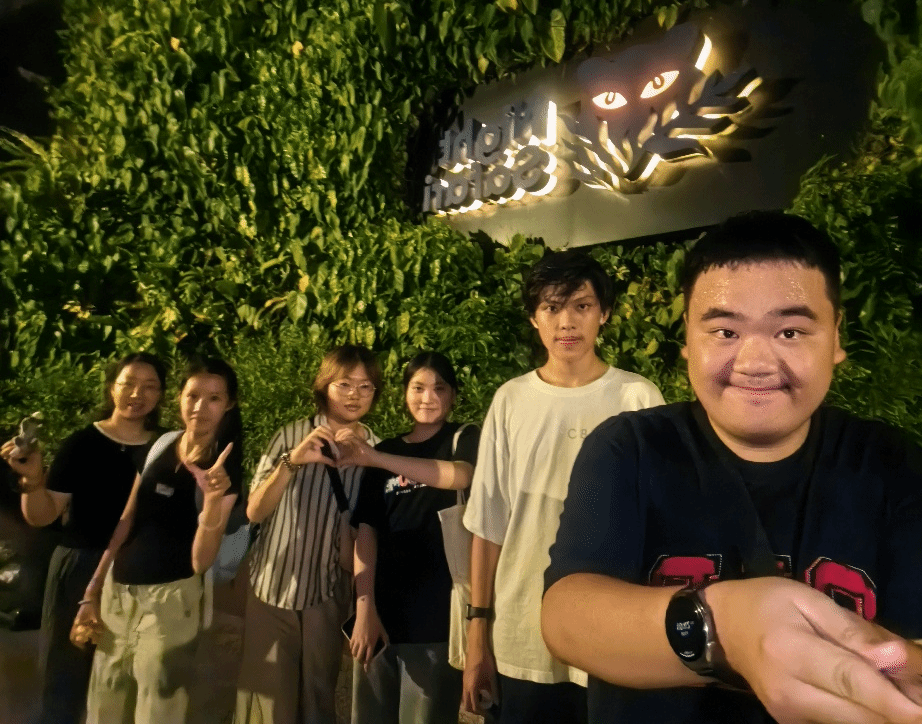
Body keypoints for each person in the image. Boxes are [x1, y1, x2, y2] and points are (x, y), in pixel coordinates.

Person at [542, 210, 922, 724]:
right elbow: (566, 616)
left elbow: (907, 652)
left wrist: (895, 670)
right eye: (725, 331)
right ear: (688, 340)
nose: (755, 363)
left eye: (790, 332)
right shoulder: (629, 448)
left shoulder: (891, 463)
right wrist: (722, 628)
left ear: (835, 339)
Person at [461, 250, 665, 723]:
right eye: (552, 308)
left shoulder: (637, 398)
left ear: (604, 313)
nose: (566, 322)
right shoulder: (511, 400)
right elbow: (489, 525)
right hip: (523, 634)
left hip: (614, 634)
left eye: (582, 306)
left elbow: (660, 524)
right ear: (534, 318)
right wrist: (477, 634)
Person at [0, 352, 167, 724]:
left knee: (128, 683)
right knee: (67, 676)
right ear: (111, 388)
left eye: (149, 386)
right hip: (80, 568)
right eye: (128, 384)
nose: (137, 394)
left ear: (160, 395)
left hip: (140, 573)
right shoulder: (82, 443)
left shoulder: (167, 448)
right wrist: (32, 481)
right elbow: (43, 515)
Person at [77, 357, 243, 724]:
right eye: (193, 395)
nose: (200, 407)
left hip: (171, 604)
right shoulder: (162, 444)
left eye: (214, 398)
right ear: (179, 397)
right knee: (103, 707)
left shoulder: (225, 470)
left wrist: (213, 502)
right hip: (118, 596)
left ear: (229, 404)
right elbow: (126, 521)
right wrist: (93, 588)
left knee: (158, 712)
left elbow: (201, 562)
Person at [235, 344, 382, 724]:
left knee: (319, 699)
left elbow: (371, 529)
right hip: (271, 586)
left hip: (328, 591)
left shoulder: (375, 450)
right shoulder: (291, 436)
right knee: (271, 704)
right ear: (324, 386)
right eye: (344, 384)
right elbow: (254, 511)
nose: (354, 394)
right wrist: (292, 461)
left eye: (365, 386)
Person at [345, 351, 480, 724]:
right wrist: (364, 609)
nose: (428, 397)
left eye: (440, 388)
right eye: (418, 387)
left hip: (437, 619)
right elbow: (366, 530)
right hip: (381, 617)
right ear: (404, 392)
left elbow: (461, 475)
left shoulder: (463, 437)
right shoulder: (386, 449)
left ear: (453, 395)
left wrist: (376, 459)